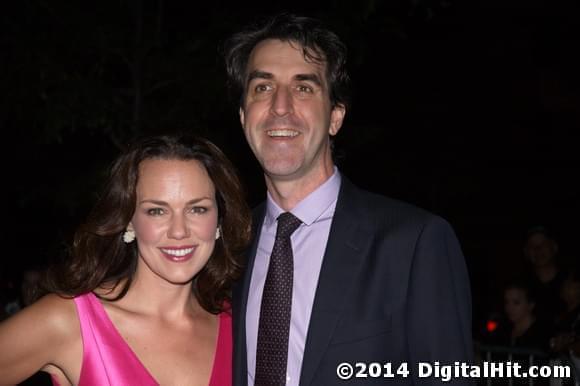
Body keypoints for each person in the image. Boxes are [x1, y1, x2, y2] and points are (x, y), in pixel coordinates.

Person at [224, 13, 473, 385]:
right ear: (244, 116)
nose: (280, 106)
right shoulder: (230, 246)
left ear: (335, 117)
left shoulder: (415, 243)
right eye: (262, 87)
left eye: (303, 87)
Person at [0, 134, 251, 385]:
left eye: (198, 209)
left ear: (219, 220)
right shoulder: (70, 320)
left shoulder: (239, 325)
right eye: (157, 211)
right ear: (129, 220)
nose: (179, 231)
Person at [523, 226, 567, 326]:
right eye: (532, 246)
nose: (538, 249)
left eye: (543, 244)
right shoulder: (521, 288)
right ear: (526, 252)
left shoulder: (572, 282)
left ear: (554, 247)